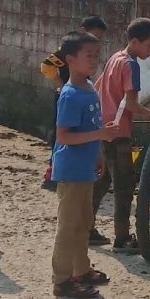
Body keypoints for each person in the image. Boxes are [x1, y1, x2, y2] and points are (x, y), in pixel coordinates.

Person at [51, 32, 116, 299]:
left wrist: (98, 152)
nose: (94, 61)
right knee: (69, 226)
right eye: (88, 56)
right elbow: (63, 136)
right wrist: (100, 136)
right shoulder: (70, 94)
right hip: (71, 170)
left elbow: (92, 126)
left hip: (86, 168)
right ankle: (62, 280)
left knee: (83, 223)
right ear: (70, 59)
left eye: (96, 56)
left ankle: (81, 269)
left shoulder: (90, 88)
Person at [92, 18, 150, 250]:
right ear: (135, 41)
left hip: (105, 129)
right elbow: (131, 103)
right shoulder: (130, 65)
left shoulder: (115, 57)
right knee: (124, 188)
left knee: (102, 182)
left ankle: (86, 229)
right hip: (119, 132)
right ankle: (122, 238)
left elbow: (97, 87)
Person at [40, 16, 108, 191]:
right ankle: (52, 175)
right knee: (61, 135)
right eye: (95, 35)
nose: (97, 40)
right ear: (83, 31)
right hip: (66, 94)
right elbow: (46, 66)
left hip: (78, 94)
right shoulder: (67, 51)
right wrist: (60, 85)